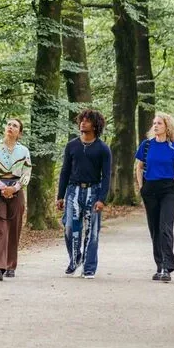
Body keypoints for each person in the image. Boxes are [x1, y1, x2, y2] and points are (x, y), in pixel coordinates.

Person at [134, 112, 174, 282]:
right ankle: (160, 266)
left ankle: (167, 266)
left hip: (168, 191)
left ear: (167, 126)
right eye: (154, 123)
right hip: (150, 190)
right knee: (154, 229)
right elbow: (139, 167)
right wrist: (142, 187)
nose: (155, 126)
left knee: (165, 227)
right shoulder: (146, 146)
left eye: (159, 123)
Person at [56, 109, 111, 279]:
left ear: (95, 125)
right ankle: (75, 259)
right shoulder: (72, 145)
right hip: (73, 190)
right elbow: (64, 171)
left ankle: (89, 267)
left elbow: (107, 175)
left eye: (87, 121)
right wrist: (60, 195)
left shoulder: (103, 149)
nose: (83, 123)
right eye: (82, 120)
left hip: (93, 191)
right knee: (70, 228)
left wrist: (102, 199)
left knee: (92, 231)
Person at [0, 118, 32, 281]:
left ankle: (11, 265)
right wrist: (2, 187)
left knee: (14, 228)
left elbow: (27, 172)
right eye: (9, 124)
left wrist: (15, 188)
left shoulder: (24, 151)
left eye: (15, 126)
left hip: (16, 190)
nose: (10, 127)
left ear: (19, 132)